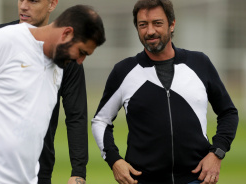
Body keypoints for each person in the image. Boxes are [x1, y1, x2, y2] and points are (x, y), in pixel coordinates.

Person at [91, 0, 238, 184]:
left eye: (157, 23)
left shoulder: (199, 63)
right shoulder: (124, 71)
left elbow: (228, 113)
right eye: (143, 25)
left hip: (196, 179)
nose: (150, 31)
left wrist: (217, 153)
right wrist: (114, 160)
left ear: (172, 24)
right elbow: (100, 120)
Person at [0, 4, 105, 184]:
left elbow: (74, 116)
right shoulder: (1, 40)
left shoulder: (59, 66)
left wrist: (78, 171)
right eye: (81, 52)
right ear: (66, 33)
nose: (80, 60)